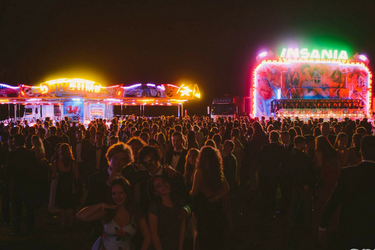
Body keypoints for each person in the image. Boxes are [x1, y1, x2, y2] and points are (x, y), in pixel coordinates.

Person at [319, 135, 375, 249]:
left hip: (350, 227)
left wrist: (323, 226)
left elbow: (333, 201)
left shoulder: (348, 173)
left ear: (360, 151)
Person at [77, 177, 151, 250]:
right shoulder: (107, 212)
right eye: (114, 194)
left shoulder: (135, 212)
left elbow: (147, 237)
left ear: (127, 193)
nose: (117, 197)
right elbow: (81, 216)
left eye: (120, 193)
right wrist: (101, 205)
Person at [190, 146, 229, 250]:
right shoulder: (217, 170)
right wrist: (216, 197)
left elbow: (194, 192)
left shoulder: (199, 172)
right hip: (216, 205)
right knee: (217, 234)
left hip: (204, 206)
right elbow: (226, 188)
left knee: (206, 235)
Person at [4, 134, 42, 235]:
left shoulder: (11, 155)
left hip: (15, 184)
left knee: (16, 208)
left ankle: (17, 229)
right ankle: (31, 227)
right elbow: (36, 170)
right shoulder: (31, 154)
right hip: (28, 184)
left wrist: (7, 183)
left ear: (15, 142)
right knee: (29, 207)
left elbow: (7, 172)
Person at [148, 175, 187, 250]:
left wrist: (180, 246)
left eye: (164, 182)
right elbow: (154, 234)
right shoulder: (155, 206)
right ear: (155, 192)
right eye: (159, 186)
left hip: (177, 244)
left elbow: (182, 225)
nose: (163, 186)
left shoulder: (178, 201)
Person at [312, 135, 340, 234]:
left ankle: (320, 226)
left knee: (321, 204)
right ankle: (333, 225)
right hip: (333, 179)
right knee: (332, 202)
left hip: (324, 179)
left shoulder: (319, 152)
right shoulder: (334, 152)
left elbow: (319, 166)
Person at [51, 143, 80, 228]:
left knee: (62, 206)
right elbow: (77, 176)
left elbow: (53, 176)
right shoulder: (73, 163)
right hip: (70, 186)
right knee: (70, 206)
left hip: (61, 186)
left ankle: (63, 223)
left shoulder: (57, 162)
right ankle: (71, 223)